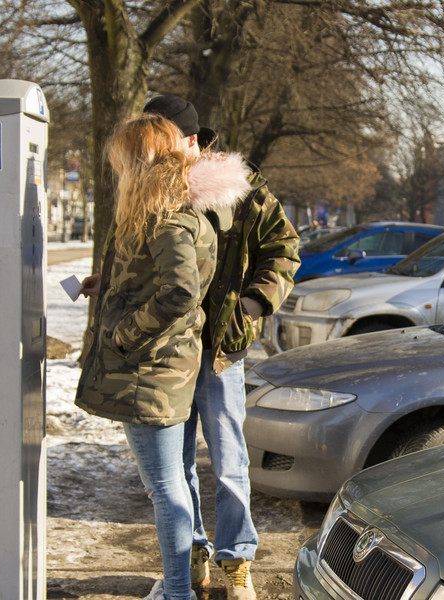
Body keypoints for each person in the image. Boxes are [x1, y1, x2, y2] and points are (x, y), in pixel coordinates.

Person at [75, 113, 253, 600]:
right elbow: (156, 279)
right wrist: (109, 287)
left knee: (166, 487)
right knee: (171, 482)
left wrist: (125, 335)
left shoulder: (167, 213)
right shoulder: (165, 209)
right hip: (159, 366)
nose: (116, 173)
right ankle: (180, 586)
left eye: (120, 163)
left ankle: (178, 592)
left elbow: (179, 292)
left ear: (138, 161)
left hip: (150, 370)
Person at [144, 97, 300, 600]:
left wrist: (252, 308)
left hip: (219, 351)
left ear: (190, 140)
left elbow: (285, 249)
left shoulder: (241, 188)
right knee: (177, 465)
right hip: (168, 354)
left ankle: (236, 561)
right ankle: (191, 556)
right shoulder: (153, 186)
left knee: (230, 461)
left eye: (162, 139)